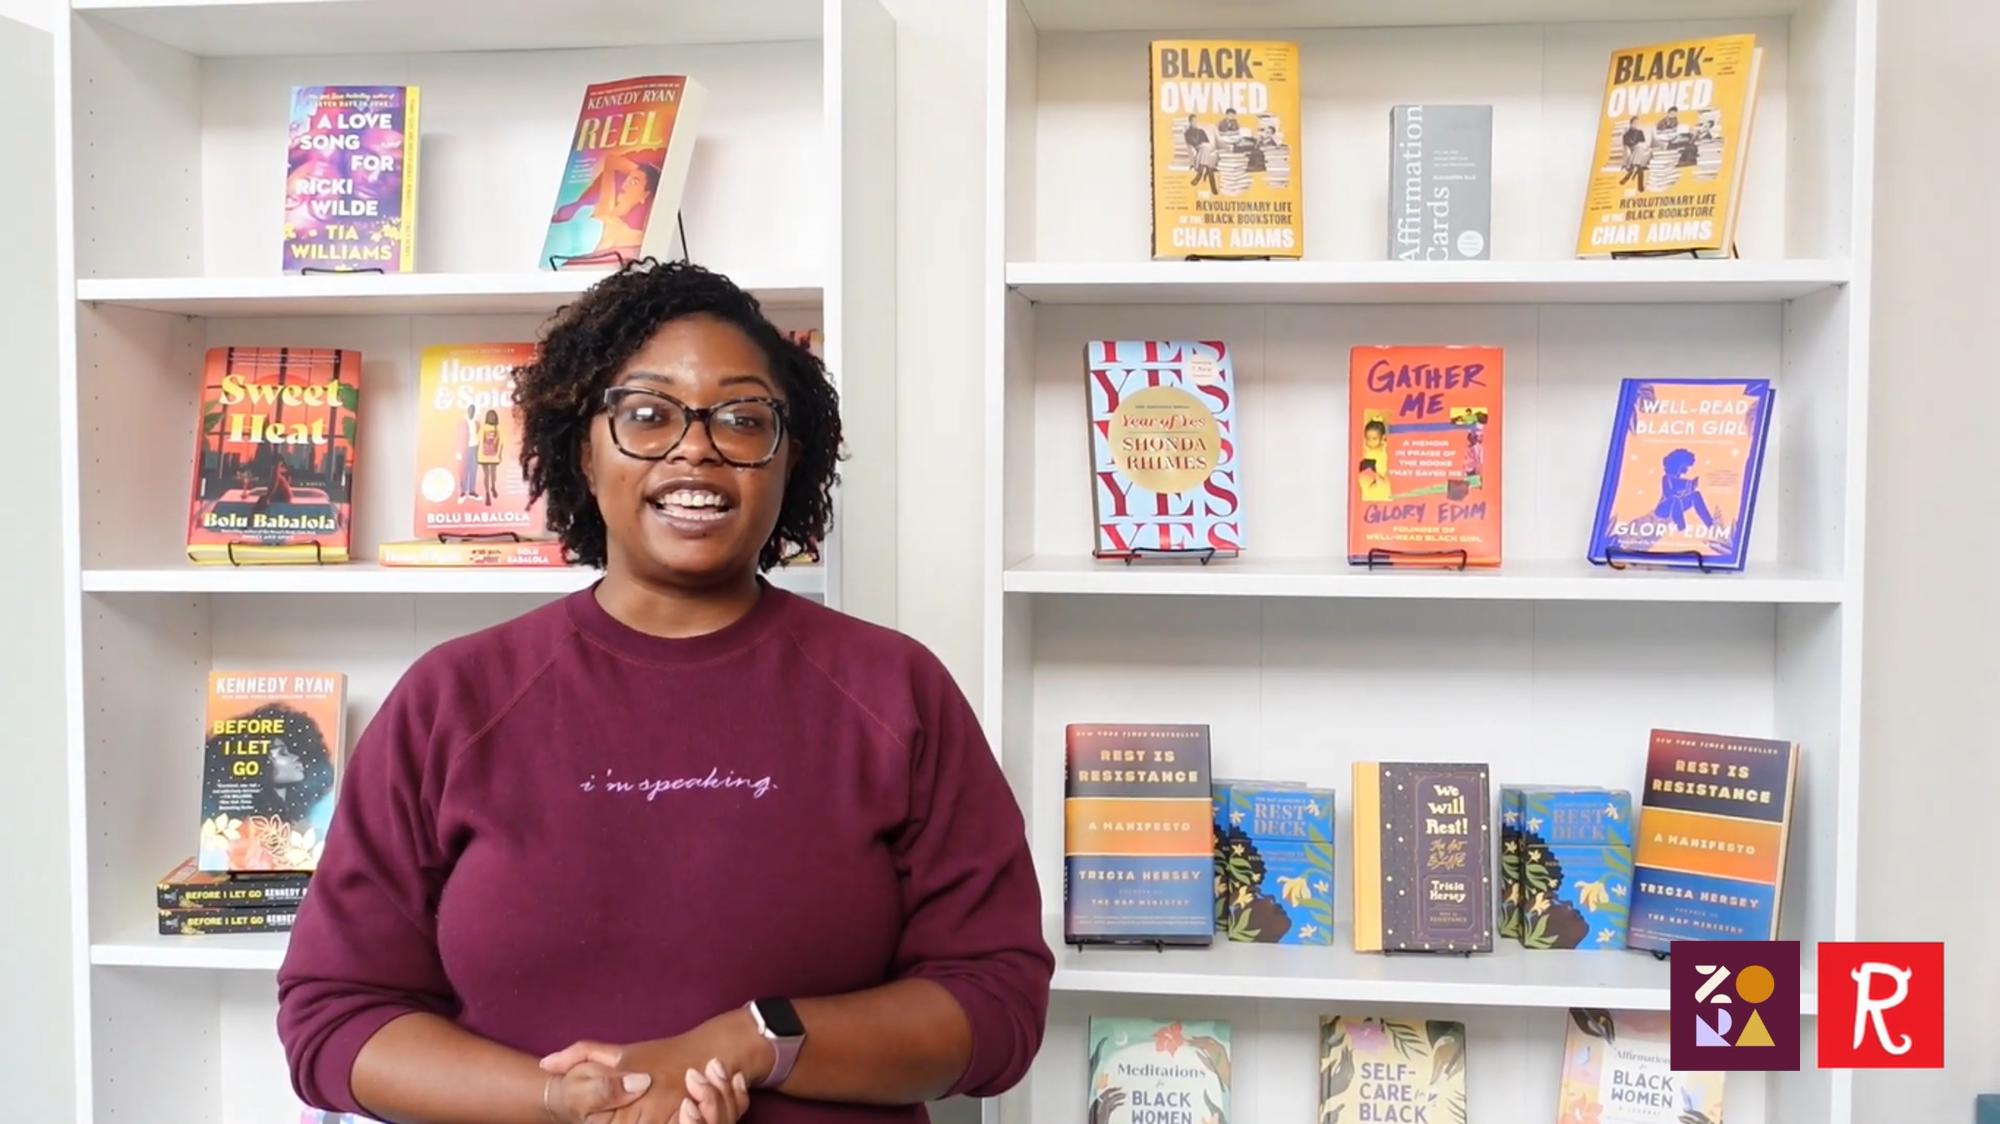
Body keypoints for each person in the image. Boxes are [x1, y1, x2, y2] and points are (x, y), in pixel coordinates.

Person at [275, 259, 1056, 1124]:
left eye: (744, 419)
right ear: (582, 444)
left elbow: (997, 1005)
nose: (696, 447)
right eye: (646, 415)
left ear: (789, 458)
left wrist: (752, 1043)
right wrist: (561, 1101)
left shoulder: (894, 690)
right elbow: (335, 1017)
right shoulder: (452, 700)